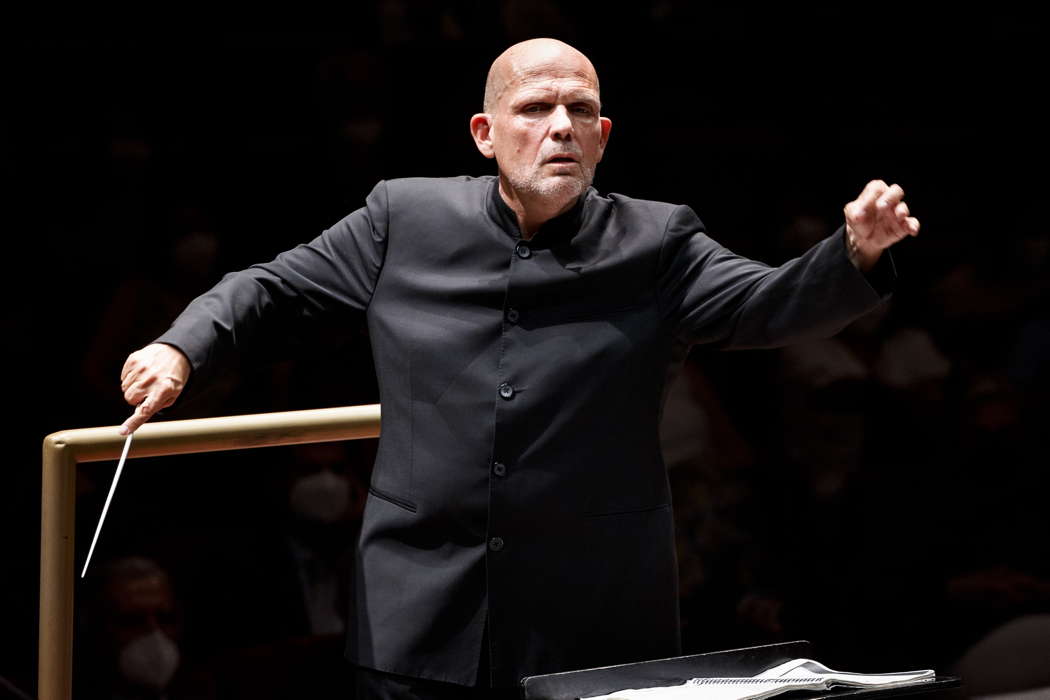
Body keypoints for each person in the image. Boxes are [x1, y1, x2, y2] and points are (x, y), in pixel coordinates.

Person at [117, 38, 919, 698]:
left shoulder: (659, 240)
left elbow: (766, 304)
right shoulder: (403, 217)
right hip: (417, 609)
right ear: (485, 132)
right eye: (536, 109)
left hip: (596, 616)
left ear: (605, 137)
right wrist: (180, 346)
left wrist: (853, 254)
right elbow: (271, 286)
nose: (561, 126)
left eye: (581, 111)